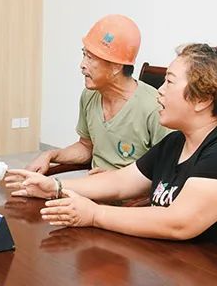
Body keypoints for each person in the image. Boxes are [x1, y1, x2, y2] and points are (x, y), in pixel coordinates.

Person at [7, 44, 217, 263]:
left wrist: (94, 215)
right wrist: (55, 187)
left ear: (203, 99)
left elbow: (179, 223)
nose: (159, 91)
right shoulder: (177, 141)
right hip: (190, 265)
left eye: (169, 82)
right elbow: (121, 182)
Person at [26, 15, 170, 174]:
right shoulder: (89, 95)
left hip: (131, 190)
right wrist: (50, 155)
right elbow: (86, 146)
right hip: (93, 185)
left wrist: (113, 179)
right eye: (84, 54)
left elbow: (165, 173)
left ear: (116, 67)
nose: (82, 65)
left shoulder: (155, 108)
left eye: (90, 58)